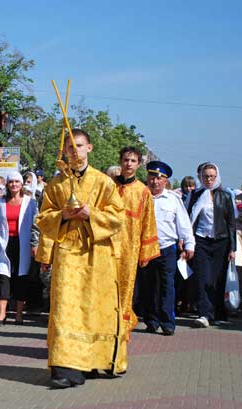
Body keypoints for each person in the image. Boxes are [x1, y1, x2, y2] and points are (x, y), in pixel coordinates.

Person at [36, 129, 125, 388]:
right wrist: (63, 215)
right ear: (63, 151)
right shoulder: (56, 185)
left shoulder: (103, 182)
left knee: (94, 309)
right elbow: (43, 219)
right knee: (66, 310)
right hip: (67, 256)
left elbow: (118, 219)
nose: (74, 151)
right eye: (69, 147)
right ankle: (66, 369)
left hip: (97, 255)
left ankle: (96, 360)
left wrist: (90, 213)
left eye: (79, 146)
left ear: (89, 148)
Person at [114, 146, 160, 371]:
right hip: (107, 249)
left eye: (133, 160)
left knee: (125, 296)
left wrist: (145, 252)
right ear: (120, 161)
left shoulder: (143, 192)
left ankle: (120, 340)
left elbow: (148, 223)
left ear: (139, 164)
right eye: (125, 160)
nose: (129, 164)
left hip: (130, 253)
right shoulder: (110, 186)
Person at [139, 161, 195, 336]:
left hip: (167, 248)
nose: (155, 181)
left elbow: (183, 224)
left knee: (167, 286)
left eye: (159, 178)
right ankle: (151, 320)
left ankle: (167, 322)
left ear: (165, 181)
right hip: (146, 249)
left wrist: (189, 244)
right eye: (152, 177)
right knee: (148, 287)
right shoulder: (140, 196)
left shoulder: (173, 199)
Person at [187, 162, 236, 327]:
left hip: (221, 242)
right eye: (206, 176)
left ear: (217, 177)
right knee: (202, 277)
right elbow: (188, 218)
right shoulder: (195, 195)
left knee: (217, 279)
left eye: (212, 176)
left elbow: (231, 224)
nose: (208, 179)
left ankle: (217, 312)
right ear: (201, 177)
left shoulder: (225, 196)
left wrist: (232, 248)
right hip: (201, 240)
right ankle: (204, 314)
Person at [0, 172, 38, 326]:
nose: (14, 185)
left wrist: (34, 244)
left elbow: (35, 225)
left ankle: (19, 314)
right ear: (7, 184)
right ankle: (2, 314)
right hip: (4, 243)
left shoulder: (30, 203)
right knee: (3, 277)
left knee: (21, 278)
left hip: (22, 243)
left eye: (17, 182)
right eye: (11, 182)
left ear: (21, 184)